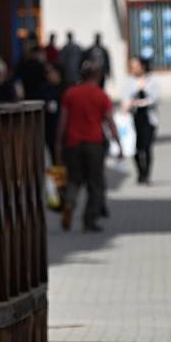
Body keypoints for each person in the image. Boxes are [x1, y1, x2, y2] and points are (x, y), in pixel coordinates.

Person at [56, 61, 120, 233]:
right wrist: (118, 142)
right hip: (94, 144)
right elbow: (109, 121)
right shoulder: (101, 95)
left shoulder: (70, 93)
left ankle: (69, 203)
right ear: (98, 77)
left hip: (72, 143)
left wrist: (58, 144)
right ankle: (89, 220)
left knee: (74, 180)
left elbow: (63, 121)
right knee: (95, 183)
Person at [123, 57, 160, 184]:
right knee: (135, 147)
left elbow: (155, 99)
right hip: (134, 118)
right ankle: (140, 171)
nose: (133, 69)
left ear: (142, 66)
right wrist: (136, 93)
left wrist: (142, 97)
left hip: (148, 118)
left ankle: (147, 174)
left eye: (135, 66)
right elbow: (126, 99)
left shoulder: (152, 80)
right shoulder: (130, 82)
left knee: (147, 146)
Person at [40, 62, 64, 165]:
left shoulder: (65, 88)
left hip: (63, 128)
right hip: (50, 128)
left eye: (50, 72)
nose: (48, 75)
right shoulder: (44, 88)